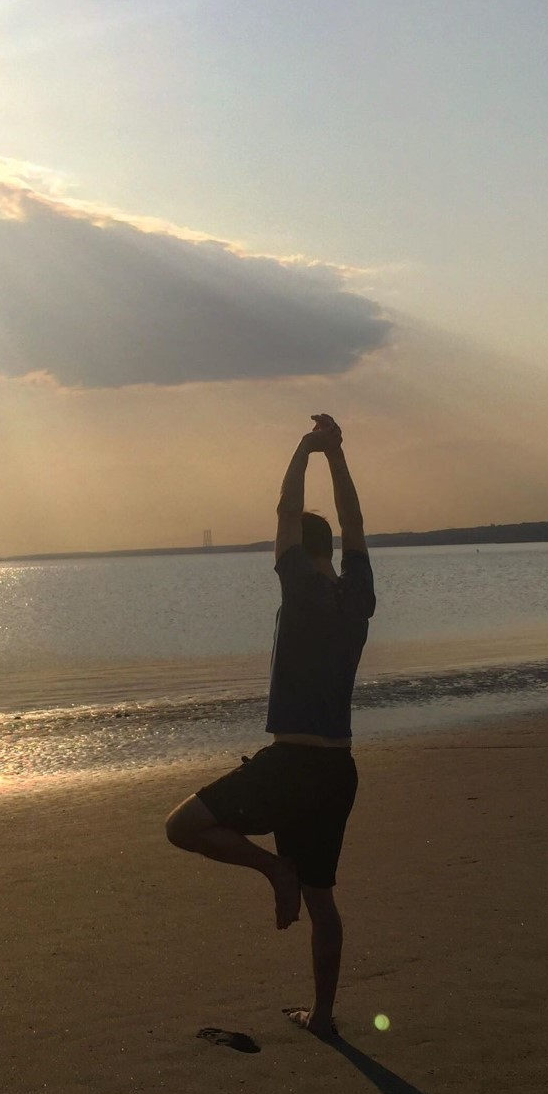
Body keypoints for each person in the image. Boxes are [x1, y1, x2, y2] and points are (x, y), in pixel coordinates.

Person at [165, 414, 376, 1039]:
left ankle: (273, 871)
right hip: (338, 769)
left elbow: (286, 509)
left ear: (292, 552)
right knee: (323, 900)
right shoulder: (357, 593)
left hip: (292, 764)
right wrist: (337, 457)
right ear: (330, 550)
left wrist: (306, 448)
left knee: (182, 827)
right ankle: (325, 1018)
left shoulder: (300, 587)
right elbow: (355, 523)